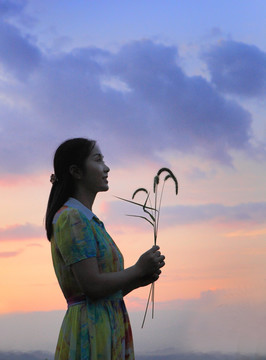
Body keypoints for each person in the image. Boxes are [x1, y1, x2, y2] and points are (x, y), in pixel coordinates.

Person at [45, 137, 165, 360]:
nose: (106, 167)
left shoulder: (87, 219)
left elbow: (101, 293)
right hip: (91, 331)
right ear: (76, 171)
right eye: (98, 160)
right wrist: (137, 269)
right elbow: (91, 286)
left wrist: (137, 280)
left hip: (106, 324)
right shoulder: (72, 218)